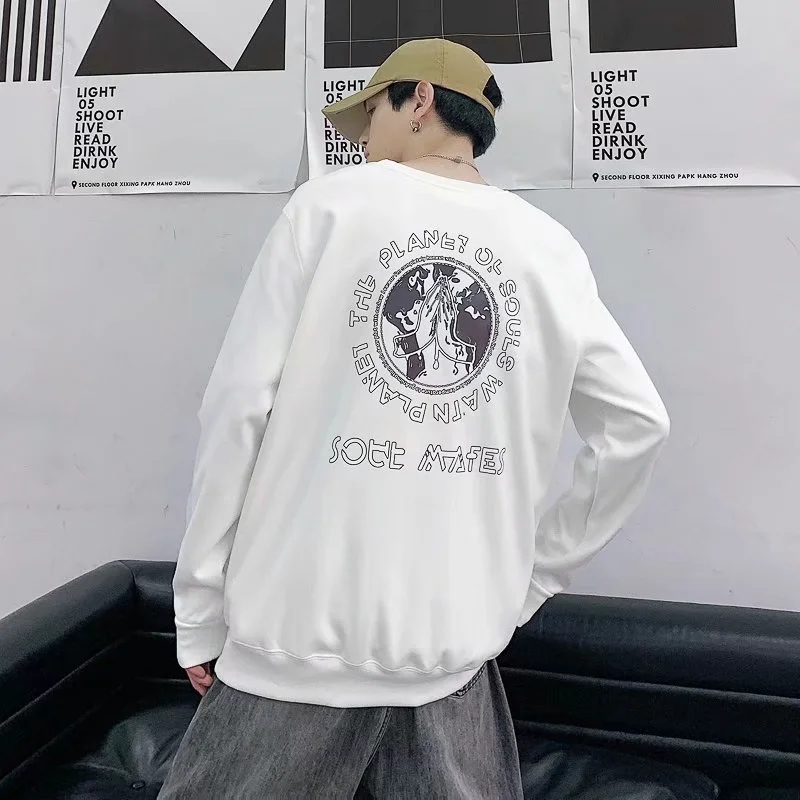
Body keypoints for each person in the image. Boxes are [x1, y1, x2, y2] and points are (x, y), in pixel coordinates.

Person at [158, 38, 670, 799]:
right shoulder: (549, 249)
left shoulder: (328, 208)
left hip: (288, 657)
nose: (364, 138)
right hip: (453, 666)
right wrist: (531, 578)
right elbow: (638, 424)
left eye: (372, 115)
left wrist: (199, 606)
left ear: (420, 99)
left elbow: (237, 408)